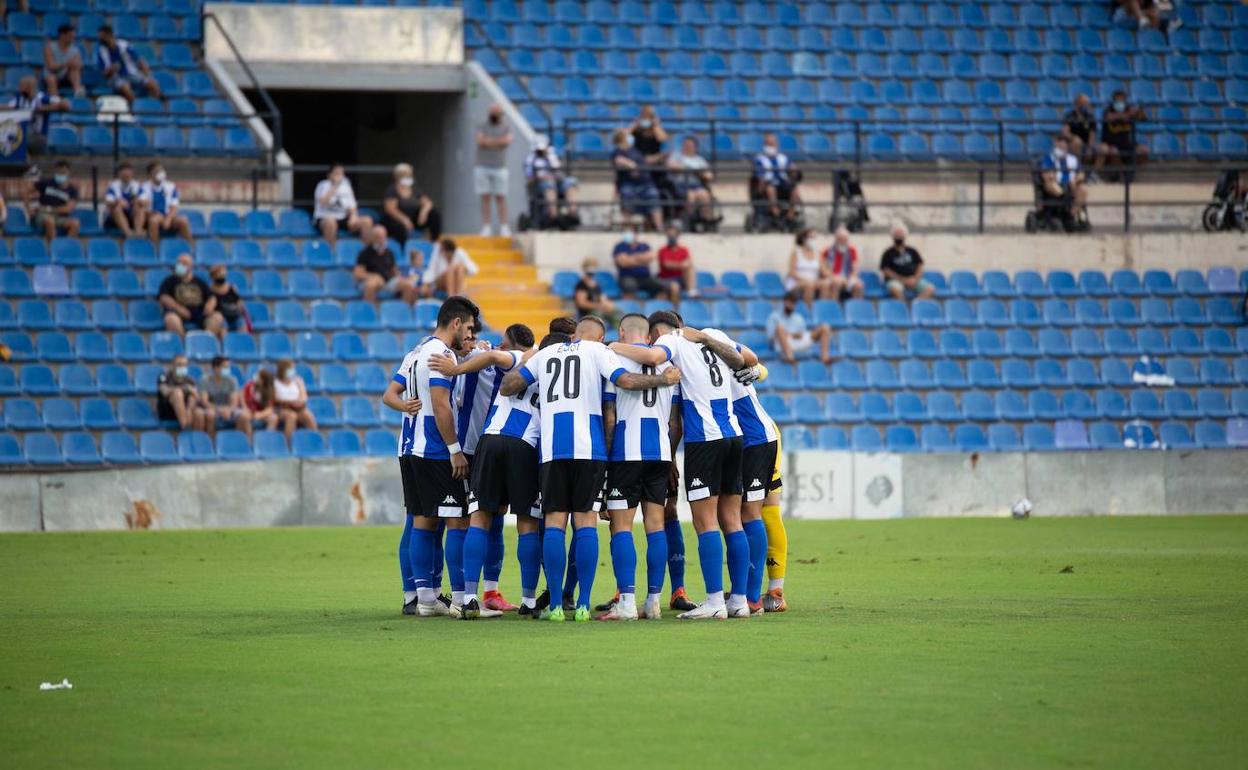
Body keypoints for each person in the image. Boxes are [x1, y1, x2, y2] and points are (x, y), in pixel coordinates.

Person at [499, 315, 680, 622]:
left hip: (554, 448)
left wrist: (530, 361)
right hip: (591, 448)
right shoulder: (600, 352)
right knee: (587, 523)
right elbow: (625, 381)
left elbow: (507, 386)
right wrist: (664, 379)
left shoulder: (545, 354)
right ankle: (583, 604)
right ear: (600, 337)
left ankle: (555, 605)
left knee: (555, 521)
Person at [609, 313, 752, 620]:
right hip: (734, 435)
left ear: (659, 332)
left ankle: (714, 601)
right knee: (732, 520)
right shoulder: (714, 334)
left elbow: (650, 356)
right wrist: (705, 339)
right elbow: (749, 359)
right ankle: (739, 600)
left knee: (706, 523)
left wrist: (611, 346)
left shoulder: (670, 342)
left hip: (705, 439)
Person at [426, 322, 538, 617]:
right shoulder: (550, 362)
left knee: (478, 520)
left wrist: (455, 368)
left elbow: (492, 358)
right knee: (525, 522)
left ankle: (469, 597)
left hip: (487, 441)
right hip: (522, 442)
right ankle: (527, 601)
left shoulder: (518, 357)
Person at [382, 296, 480, 617]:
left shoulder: (416, 352)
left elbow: (389, 395)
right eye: (467, 327)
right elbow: (441, 405)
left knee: (421, 520)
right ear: (455, 323)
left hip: (409, 448)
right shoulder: (441, 354)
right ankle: (463, 598)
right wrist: (455, 451)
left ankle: (423, 597)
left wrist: (404, 406)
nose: (469, 333)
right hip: (435, 449)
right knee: (457, 521)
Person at [596, 313, 682, 621]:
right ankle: (654, 602)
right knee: (656, 525)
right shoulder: (667, 367)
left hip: (625, 452)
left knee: (621, 526)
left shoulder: (613, 362)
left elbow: (609, 417)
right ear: (649, 338)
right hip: (659, 452)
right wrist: (671, 457)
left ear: (621, 332)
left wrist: (604, 466)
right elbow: (675, 422)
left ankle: (627, 603)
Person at [158, 253, 223, 337]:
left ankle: (202, 342)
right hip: (178, 312)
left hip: (199, 312)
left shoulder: (200, 282)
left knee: (218, 317)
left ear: (191, 266)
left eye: (184, 263)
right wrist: (179, 309)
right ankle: (184, 345)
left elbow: (212, 297)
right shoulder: (170, 281)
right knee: (170, 319)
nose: (180, 265)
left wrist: (210, 305)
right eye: (179, 263)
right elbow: (164, 297)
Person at [611, 128, 663, 231]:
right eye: (627, 135)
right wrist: (632, 165)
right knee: (627, 195)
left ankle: (659, 227)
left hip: (645, 183)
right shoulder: (618, 151)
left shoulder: (635, 150)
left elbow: (644, 160)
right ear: (621, 138)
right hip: (629, 183)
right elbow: (618, 160)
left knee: (653, 194)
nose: (630, 137)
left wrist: (660, 157)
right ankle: (627, 228)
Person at [96, 24, 161, 105]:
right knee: (126, 88)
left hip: (132, 74)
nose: (100, 39)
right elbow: (104, 74)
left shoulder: (124, 45)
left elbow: (140, 61)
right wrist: (111, 70)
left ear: (109, 35)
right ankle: (136, 110)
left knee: (153, 84)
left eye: (102, 37)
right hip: (115, 78)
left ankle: (158, 108)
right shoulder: (101, 51)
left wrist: (148, 75)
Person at [475, 103, 513, 237]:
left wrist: (489, 142)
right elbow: (480, 141)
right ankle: (486, 226)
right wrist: (498, 142)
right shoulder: (482, 126)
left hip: (500, 167)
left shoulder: (506, 127)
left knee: (501, 197)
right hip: (482, 166)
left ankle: (504, 226)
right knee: (485, 197)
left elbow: (507, 141)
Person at [355, 224, 418, 304]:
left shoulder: (389, 253)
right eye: (378, 237)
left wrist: (403, 278)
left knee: (409, 285)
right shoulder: (364, 253)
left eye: (383, 237)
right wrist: (373, 276)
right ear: (373, 238)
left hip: (389, 281)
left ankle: (404, 312)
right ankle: (370, 313)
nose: (381, 240)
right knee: (371, 285)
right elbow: (358, 274)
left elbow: (395, 271)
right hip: (373, 280)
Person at [767, 290, 834, 364]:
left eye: (793, 302)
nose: (791, 305)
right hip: (782, 343)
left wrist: (796, 335)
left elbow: (802, 335)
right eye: (789, 302)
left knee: (825, 327)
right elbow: (771, 338)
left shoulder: (798, 318)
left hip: (798, 342)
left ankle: (825, 358)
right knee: (780, 327)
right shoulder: (774, 316)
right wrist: (787, 335)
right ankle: (790, 358)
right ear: (784, 302)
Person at [524, 135, 579, 225]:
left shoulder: (552, 157)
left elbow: (559, 172)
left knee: (570, 182)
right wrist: (542, 177)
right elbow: (529, 178)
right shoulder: (530, 160)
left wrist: (554, 176)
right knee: (549, 184)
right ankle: (553, 215)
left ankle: (572, 213)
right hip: (539, 187)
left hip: (557, 183)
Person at [381, 162, 441, 243]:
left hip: (414, 220)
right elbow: (391, 209)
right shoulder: (392, 190)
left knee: (434, 214)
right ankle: (403, 248)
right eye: (405, 175)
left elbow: (428, 203)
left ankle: (434, 241)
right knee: (400, 227)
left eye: (410, 175)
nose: (409, 177)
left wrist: (423, 213)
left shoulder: (414, 189)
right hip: (396, 220)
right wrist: (404, 219)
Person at [1040, 136, 1090, 231]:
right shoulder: (1049, 158)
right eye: (1060, 142)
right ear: (1056, 143)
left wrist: (1076, 179)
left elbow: (1081, 173)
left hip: (1071, 184)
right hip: (1055, 184)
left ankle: (1070, 215)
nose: (1062, 144)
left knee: (1083, 189)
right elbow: (1045, 175)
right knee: (1054, 186)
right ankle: (1059, 213)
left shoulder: (1073, 159)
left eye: (1065, 142)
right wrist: (1051, 175)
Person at [1095, 90, 1148, 180]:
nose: (1121, 101)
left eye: (1122, 99)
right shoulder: (1109, 110)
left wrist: (1140, 111)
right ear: (1114, 100)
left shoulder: (1129, 109)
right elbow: (1110, 117)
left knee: (1144, 150)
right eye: (1118, 99)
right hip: (1111, 143)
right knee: (1113, 151)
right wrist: (1128, 114)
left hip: (1127, 143)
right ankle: (1118, 173)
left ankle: (1131, 170)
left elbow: (1143, 118)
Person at [313, 164, 371, 246]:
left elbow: (352, 205)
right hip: (325, 218)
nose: (340, 176)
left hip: (342, 218)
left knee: (367, 221)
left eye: (341, 173)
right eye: (337, 173)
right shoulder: (322, 185)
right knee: (331, 222)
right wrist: (334, 187)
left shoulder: (346, 186)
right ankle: (331, 253)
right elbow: (323, 202)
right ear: (330, 175)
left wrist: (353, 216)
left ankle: (367, 251)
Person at [10, 75, 66, 156]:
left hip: (39, 136)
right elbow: (9, 106)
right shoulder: (19, 99)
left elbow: (64, 105)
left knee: (19, 140)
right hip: (24, 134)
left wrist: (42, 109)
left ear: (29, 87)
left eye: (22, 86)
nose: (19, 89)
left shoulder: (42, 97)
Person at [753, 132, 802, 227]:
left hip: (783, 185)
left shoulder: (783, 158)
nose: (771, 146)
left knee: (795, 188)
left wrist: (794, 171)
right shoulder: (760, 159)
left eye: (773, 144)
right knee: (770, 187)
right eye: (769, 144)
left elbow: (792, 169)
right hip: (767, 187)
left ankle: (790, 215)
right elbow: (759, 176)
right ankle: (776, 213)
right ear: (765, 145)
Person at [24, 159, 79, 241]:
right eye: (58, 172)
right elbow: (26, 192)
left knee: (75, 223)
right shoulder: (46, 183)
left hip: (60, 217)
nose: (60, 174)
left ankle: (66, 247)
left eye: (63, 172)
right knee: (50, 221)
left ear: (68, 173)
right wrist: (28, 209)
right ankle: (52, 249)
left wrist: (48, 209)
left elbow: (68, 209)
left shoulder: (72, 190)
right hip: (43, 215)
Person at [200, 355, 252, 439]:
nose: (227, 369)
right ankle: (212, 443)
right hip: (213, 408)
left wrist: (229, 410)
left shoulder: (232, 380)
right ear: (215, 368)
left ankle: (240, 442)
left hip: (229, 408)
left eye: (228, 367)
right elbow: (205, 402)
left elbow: (234, 401)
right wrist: (219, 410)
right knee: (210, 415)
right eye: (225, 367)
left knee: (245, 416)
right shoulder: (205, 380)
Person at [140, 162, 192, 245]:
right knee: (154, 221)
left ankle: (190, 247)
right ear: (150, 174)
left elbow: (174, 206)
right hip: (154, 216)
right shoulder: (144, 187)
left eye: (161, 170)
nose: (160, 173)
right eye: (157, 171)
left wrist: (168, 219)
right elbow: (142, 203)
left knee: (183, 220)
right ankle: (155, 249)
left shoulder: (171, 186)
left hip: (169, 216)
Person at [880, 224, 935, 301]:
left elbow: (920, 266)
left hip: (913, 279)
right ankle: (904, 308)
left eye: (901, 234)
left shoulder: (912, 251)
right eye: (897, 234)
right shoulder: (888, 253)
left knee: (930, 288)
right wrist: (902, 279)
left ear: (905, 235)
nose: (899, 236)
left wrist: (915, 279)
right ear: (892, 236)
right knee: (895, 290)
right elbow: (886, 270)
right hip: (896, 280)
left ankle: (915, 305)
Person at [667, 136, 715, 223]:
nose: (688, 147)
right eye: (686, 145)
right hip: (681, 185)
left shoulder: (700, 160)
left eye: (690, 145)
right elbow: (671, 165)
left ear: (695, 147)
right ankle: (690, 220)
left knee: (704, 195)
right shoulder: (676, 156)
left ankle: (707, 220)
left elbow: (709, 175)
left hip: (696, 185)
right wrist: (687, 169)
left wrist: (700, 174)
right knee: (690, 195)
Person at [612, 228, 671, 300]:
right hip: (627, 277)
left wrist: (630, 258)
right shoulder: (620, 246)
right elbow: (623, 263)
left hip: (645, 277)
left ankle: (656, 308)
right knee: (629, 286)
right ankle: (631, 309)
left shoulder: (644, 245)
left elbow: (651, 257)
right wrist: (642, 260)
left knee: (661, 286)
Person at [157, 354, 207, 431]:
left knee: (199, 412)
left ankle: (197, 438)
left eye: (184, 365)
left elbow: (197, 398)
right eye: (179, 364)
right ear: (173, 365)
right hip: (168, 410)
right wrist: (185, 388)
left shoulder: (190, 380)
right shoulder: (164, 377)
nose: (182, 367)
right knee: (177, 392)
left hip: (187, 411)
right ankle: (185, 426)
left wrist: (193, 394)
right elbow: (164, 391)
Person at [273, 358, 316, 441]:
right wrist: (289, 402)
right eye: (290, 369)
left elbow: (304, 396)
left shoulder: (298, 380)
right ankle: (288, 444)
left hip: (298, 407)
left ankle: (314, 441)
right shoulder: (275, 382)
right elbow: (275, 398)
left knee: (307, 415)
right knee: (292, 416)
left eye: (293, 368)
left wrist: (299, 402)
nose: (292, 371)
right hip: (282, 408)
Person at [785, 227, 826, 307]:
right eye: (811, 237)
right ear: (804, 239)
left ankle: (822, 311)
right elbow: (792, 273)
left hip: (813, 281)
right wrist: (807, 280)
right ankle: (808, 312)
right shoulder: (796, 252)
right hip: (796, 282)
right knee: (809, 285)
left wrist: (832, 277)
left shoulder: (818, 253)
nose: (814, 240)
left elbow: (824, 271)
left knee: (826, 284)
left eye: (815, 238)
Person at [656, 225, 696, 303]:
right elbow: (667, 265)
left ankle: (691, 290)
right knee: (675, 287)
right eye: (669, 236)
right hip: (665, 279)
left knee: (690, 267)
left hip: (681, 278)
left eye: (673, 235)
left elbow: (688, 263)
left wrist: (679, 265)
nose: (671, 238)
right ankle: (675, 312)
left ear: (677, 236)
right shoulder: (663, 250)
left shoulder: (684, 249)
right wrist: (682, 265)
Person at [43, 24, 84, 98]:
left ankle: (78, 92)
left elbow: (79, 65)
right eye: (70, 36)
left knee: (74, 70)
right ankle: (55, 100)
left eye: (73, 37)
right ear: (62, 35)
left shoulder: (75, 50)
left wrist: (75, 64)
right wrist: (67, 64)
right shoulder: (49, 47)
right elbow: (51, 66)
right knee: (51, 79)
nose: (72, 39)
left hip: (66, 77)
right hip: (51, 75)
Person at [104, 162, 144, 237]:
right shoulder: (113, 186)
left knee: (140, 207)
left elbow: (146, 201)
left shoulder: (137, 186)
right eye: (124, 175)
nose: (127, 176)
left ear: (132, 174)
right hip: (114, 219)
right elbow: (108, 202)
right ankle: (128, 234)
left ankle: (138, 233)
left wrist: (137, 201)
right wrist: (117, 202)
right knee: (117, 208)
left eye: (128, 174)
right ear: (120, 174)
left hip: (131, 216)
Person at [823, 227, 864, 300]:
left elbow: (855, 267)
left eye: (845, 239)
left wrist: (850, 277)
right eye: (840, 239)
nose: (843, 241)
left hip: (847, 277)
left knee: (859, 285)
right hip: (833, 277)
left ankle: (855, 309)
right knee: (836, 283)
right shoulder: (828, 251)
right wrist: (833, 276)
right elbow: (824, 269)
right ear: (836, 239)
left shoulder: (852, 250)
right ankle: (834, 307)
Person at [208, 263, 245, 332]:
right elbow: (210, 308)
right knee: (222, 326)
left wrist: (240, 308)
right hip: (222, 317)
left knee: (242, 324)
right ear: (213, 276)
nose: (221, 275)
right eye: (218, 274)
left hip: (234, 316)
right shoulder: (210, 290)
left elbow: (239, 302)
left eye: (223, 273)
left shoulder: (232, 288)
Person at [1062, 94, 1097, 162]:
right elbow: (1065, 132)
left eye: (1086, 104)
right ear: (1077, 103)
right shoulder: (1070, 116)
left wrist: (1089, 148)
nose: (1084, 105)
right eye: (1082, 103)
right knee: (1077, 143)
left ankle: (1095, 172)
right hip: (1072, 142)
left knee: (1103, 149)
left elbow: (1092, 134)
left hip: (1086, 143)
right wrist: (1074, 137)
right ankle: (1077, 167)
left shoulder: (1090, 116)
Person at [242, 369, 279, 433]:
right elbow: (242, 396)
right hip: (249, 411)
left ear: (263, 381)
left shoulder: (270, 391)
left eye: (258, 377)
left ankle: (266, 438)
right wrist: (245, 408)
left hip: (261, 413)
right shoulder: (249, 385)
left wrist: (259, 415)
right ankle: (249, 440)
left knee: (274, 418)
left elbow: (269, 409)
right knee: (245, 416)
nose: (256, 378)